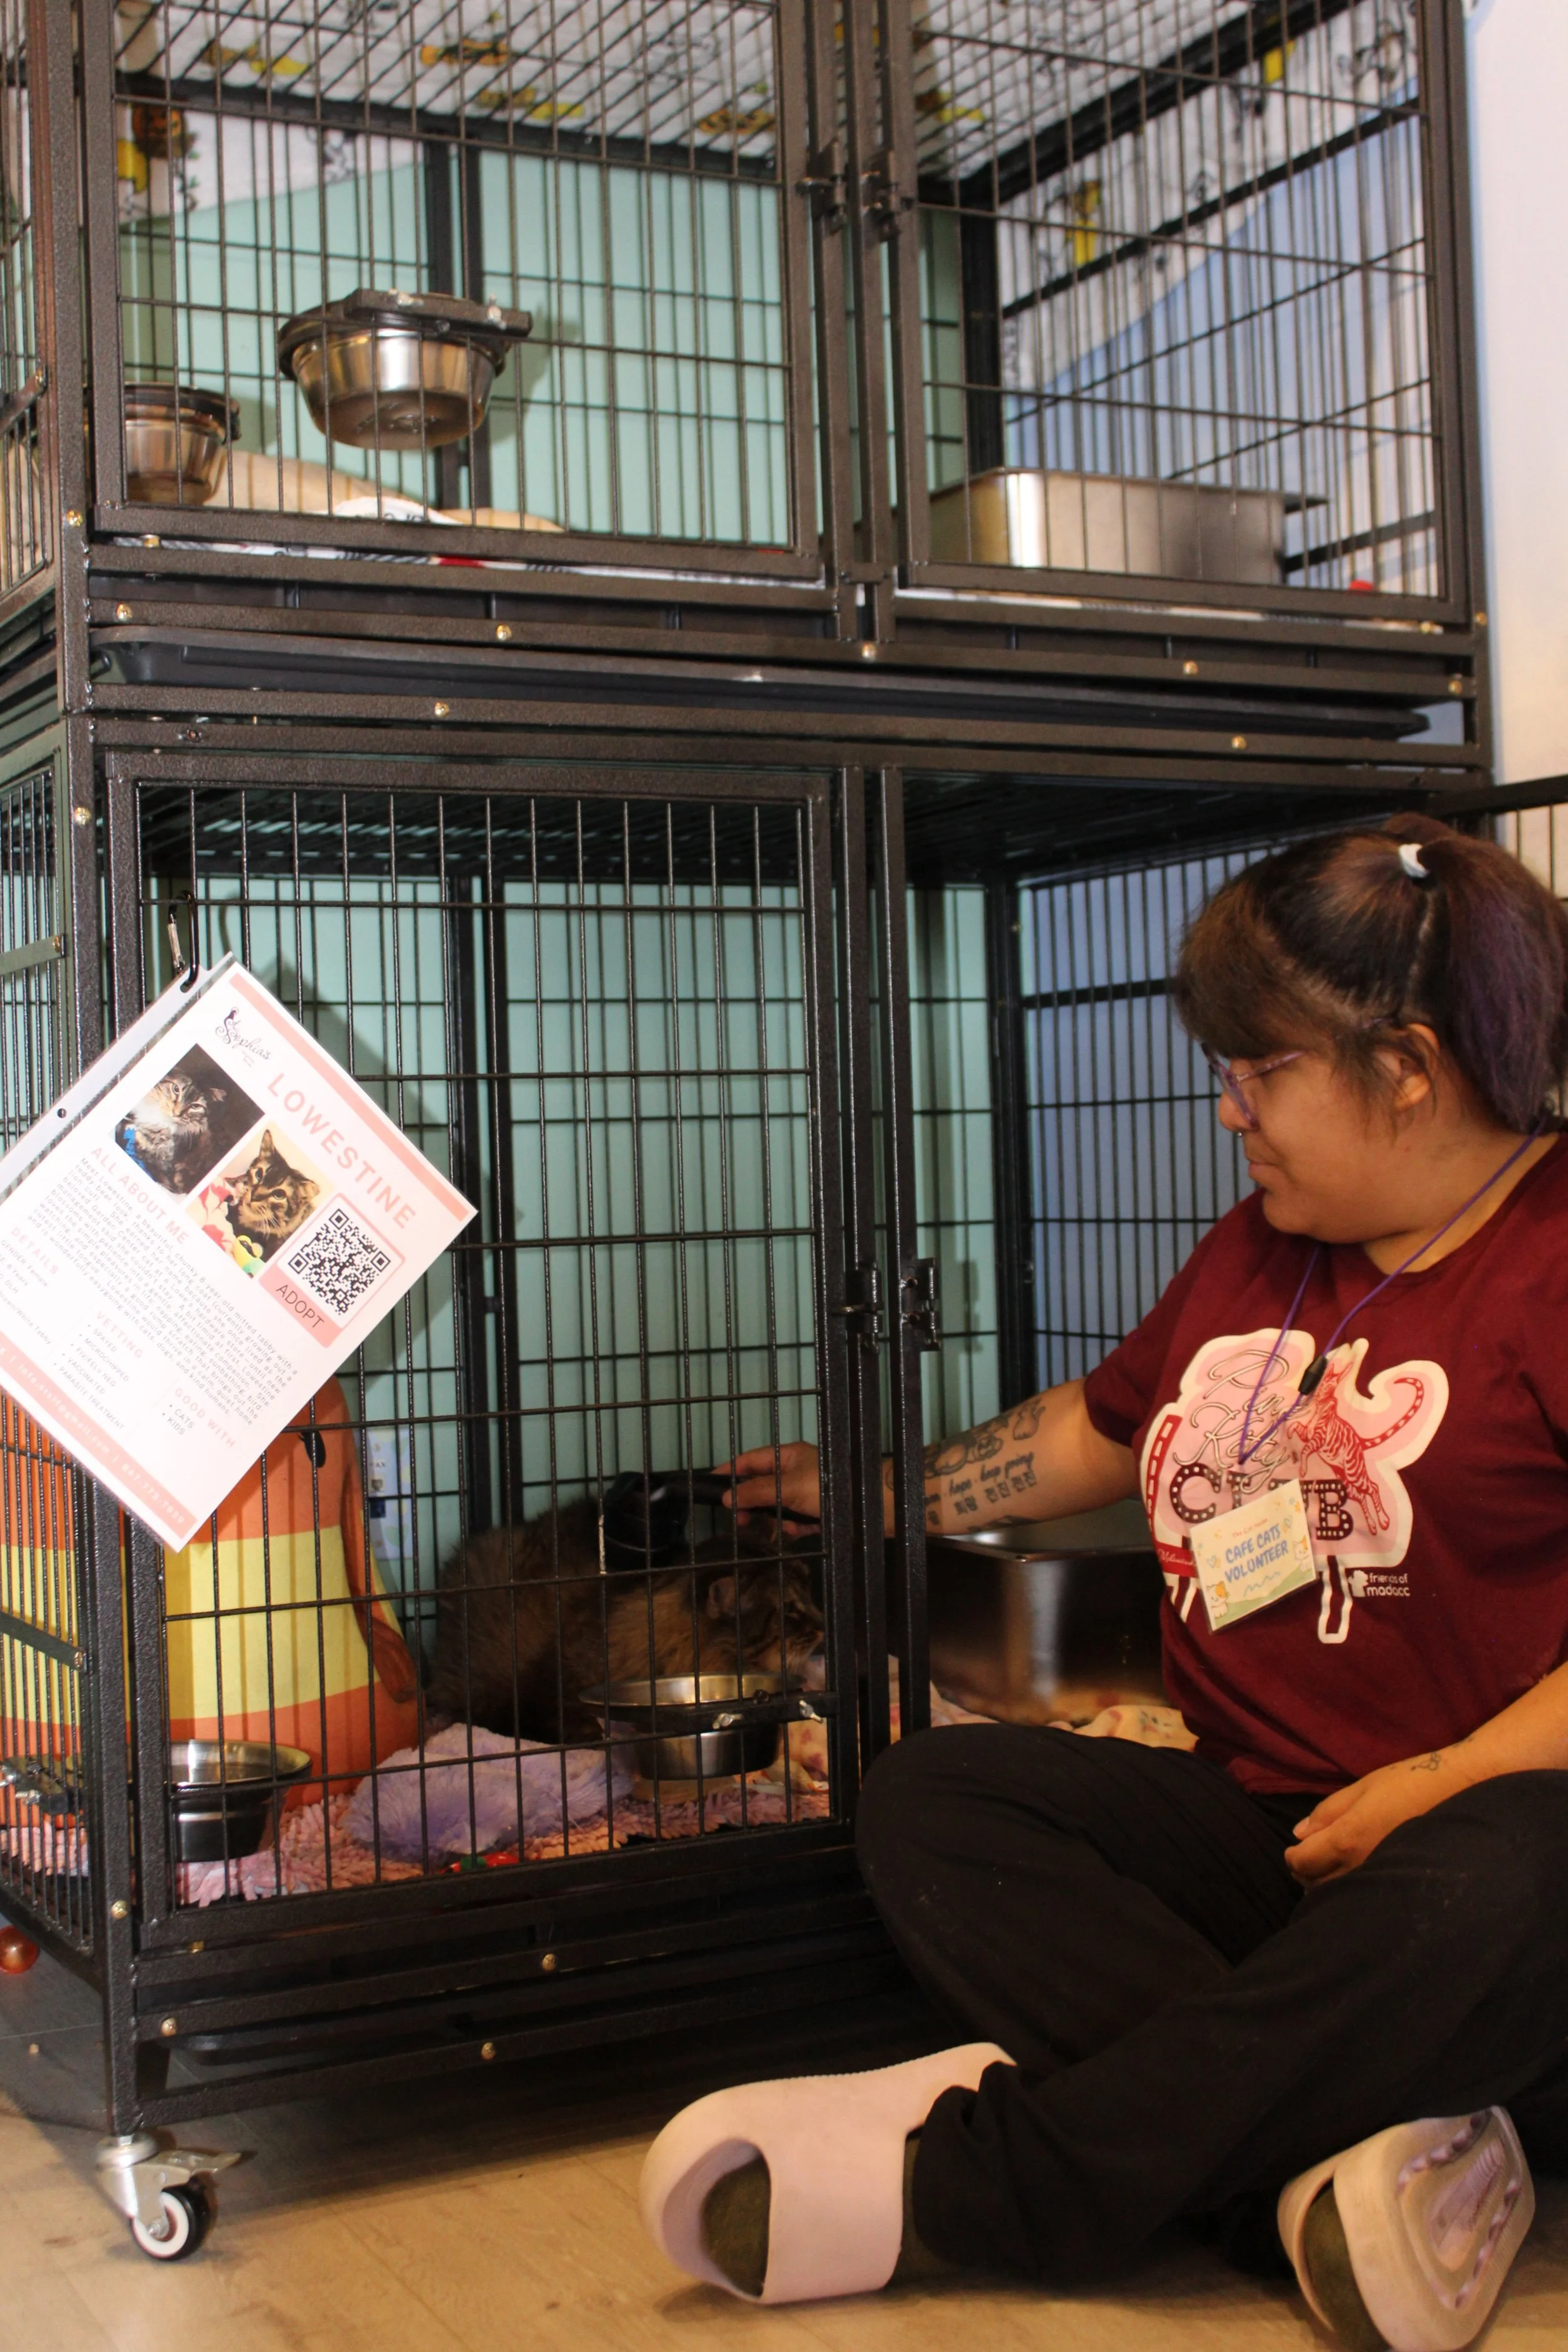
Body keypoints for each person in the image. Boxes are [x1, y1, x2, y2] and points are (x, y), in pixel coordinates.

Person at [638, 814, 1568, 2349]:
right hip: (1265, 1836)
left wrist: (1436, 1785)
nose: (1228, 1113)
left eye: (1260, 1073)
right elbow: (1096, 1424)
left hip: (1463, 1845)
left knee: (1532, 1865)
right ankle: (1340, 2146)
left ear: (1405, 1068)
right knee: (941, 1800)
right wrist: (880, 1494)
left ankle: (1000, 2179)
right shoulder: (1271, 1243)